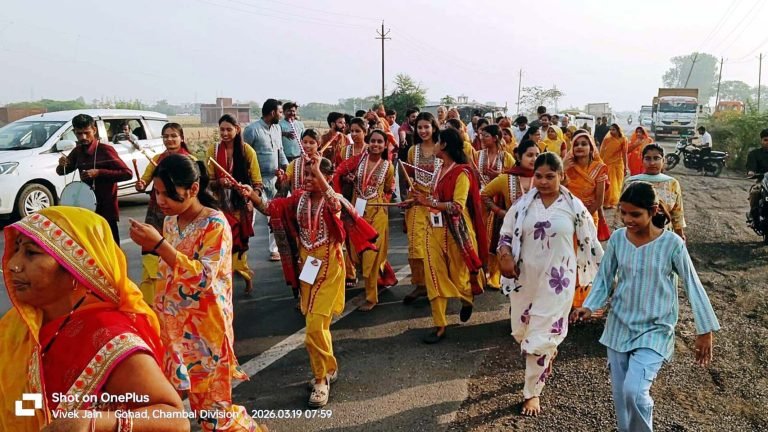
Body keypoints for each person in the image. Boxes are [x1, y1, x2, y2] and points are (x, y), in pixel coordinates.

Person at [0, 207, 188, 432]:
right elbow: (31, 398)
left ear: (74, 267)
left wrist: (91, 423)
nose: (13, 265)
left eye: (31, 253)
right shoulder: (21, 325)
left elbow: (175, 419)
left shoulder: (111, 336)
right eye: (17, 250)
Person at [572, 182, 720, 432]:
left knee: (634, 392)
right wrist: (589, 306)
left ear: (653, 211)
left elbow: (693, 284)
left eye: (635, 214)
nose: (627, 219)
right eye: (623, 213)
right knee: (621, 395)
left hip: (655, 329)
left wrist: (704, 330)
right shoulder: (619, 239)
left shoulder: (672, 244)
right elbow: (605, 278)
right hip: (618, 326)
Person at [129, 155, 262, 431]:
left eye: (168, 193)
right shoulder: (170, 222)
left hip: (206, 334)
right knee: (167, 401)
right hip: (173, 328)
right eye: (157, 193)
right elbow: (167, 276)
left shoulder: (215, 224)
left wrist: (160, 246)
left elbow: (203, 277)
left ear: (193, 189)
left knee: (213, 414)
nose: (161, 200)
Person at [498, 152, 603, 417]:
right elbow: (506, 234)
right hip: (525, 280)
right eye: (539, 176)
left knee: (541, 337)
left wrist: (602, 279)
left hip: (558, 282)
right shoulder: (522, 205)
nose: (543, 181)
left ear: (561, 176)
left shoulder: (573, 207)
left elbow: (591, 243)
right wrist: (505, 255)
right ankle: (547, 353)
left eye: (550, 176)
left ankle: (532, 392)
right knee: (521, 333)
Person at [256, 156, 365, 408]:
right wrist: (251, 196)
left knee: (314, 327)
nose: (306, 179)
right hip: (308, 267)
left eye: (312, 175)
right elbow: (271, 207)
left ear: (326, 178)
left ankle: (320, 380)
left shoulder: (333, 199)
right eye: (304, 175)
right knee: (317, 323)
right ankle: (328, 367)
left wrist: (320, 173)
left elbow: (336, 205)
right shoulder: (299, 199)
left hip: (330, 267)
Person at [409, 128, 488, 343]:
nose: (432, 145)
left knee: (459, 275)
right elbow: (434, 197)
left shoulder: (462, 172)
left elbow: (457, 206)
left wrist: (429, 202)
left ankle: (467, 297)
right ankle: (439, 324)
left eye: (437, 142)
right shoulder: (439, 169)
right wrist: (419, 199)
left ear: (443, 146)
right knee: (433, 275)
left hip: (457, 232)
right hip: (433, 230)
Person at [335, 129, 396, 311]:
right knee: (355, 254)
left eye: (380, 142)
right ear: (368, 142)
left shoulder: (388, 167)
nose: (376, 144)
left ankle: (371, 297)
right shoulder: (357, 161)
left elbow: (387, 190)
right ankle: (377, 278)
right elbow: (338, 172)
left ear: (385, 145)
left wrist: (379, 204)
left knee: (370, 255)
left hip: (377, 214)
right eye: (373, 141)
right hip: (356, 214)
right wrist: (347, 179)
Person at [134, 122, 193, 303]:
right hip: (157, 212)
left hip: (179, 213)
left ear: (181, 138)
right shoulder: (158, 159)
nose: (169, 139)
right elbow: (145, 179)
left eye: (173, 135)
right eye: (166, 136)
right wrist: (141, 184)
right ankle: (149, 301)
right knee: (151, 250)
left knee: (176, 253)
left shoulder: (190, 160)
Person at [207, 114, 263, 295]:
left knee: (238, 245)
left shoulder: (247, 151)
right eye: (222, 129)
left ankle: (244, 274)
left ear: (237, 129)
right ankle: (225, 281)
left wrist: (251, 200)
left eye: (228, 129)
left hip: (241, 205)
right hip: (219, 205)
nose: (224, 133)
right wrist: (219, 183)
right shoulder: (212, 151)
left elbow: (257, 183)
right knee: (221, 246)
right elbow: (208, 180)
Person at [56, 114, 133, 244]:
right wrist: (62, 164)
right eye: (79, 134)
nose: (83, 137)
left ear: (94, 131)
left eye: (87, 133)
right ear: (74, 133)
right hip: (86, 208)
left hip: (106, 208)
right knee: (90, 247)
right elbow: (62, 171)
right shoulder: (77, 151)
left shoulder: (105, 150)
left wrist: (99, 172)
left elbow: (127, 173)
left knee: (110, 247)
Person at [480, 139, 539, 291]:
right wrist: (500, 212)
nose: (534, 159)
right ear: (519, 157)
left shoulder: (542, 177)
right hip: (514, 235)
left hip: (538, 234)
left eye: (537, 155)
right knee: (516, 276)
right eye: (530, 155)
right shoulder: (507, 178)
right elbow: (484, 194)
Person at [563, 131, 608, 309]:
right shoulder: (567, 166)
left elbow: (599, 200)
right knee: (568, 256)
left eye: (584, 143)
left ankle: (583, 300)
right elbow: (557, 187)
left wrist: (583, 217)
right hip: (566, 217)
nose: (580, 147)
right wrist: (563, 166)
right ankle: (566, 298)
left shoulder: (600, 168)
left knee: (586, 257)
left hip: (589, 217)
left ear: (591, 148)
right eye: (576, 144)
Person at [401, 112, 442, 305]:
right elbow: (409, 177)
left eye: (427, 126)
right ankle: (420, 285)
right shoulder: (412, 151)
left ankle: (437, 283)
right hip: (417, 202)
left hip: (436, 203)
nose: (423, 131)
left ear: (434, 127)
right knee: (416, 247)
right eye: (419, 127)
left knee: (436, 246)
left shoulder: (442, 148)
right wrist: (410, 197)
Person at [244, 99, 288, 262]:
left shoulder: (277, 128)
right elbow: (244, 154)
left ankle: (274, 249)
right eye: (280, 112)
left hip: (274, 180)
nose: (281, 115)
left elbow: (280, 150)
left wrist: (285, 168)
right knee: (251, 215)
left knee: (274, 214)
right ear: (272, 113)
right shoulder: (252, 130)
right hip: (256, 181)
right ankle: (242, 251)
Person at [624, 144, 687, 241]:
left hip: (665, 237)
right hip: (636, 237)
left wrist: (680, 236)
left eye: (656, 158)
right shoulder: (631, 183)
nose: (652, 163)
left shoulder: (672, 183)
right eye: (647, 158)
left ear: (663, 160)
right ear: (642, 161)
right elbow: (623, 212)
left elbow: (677, 214)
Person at [600, 123, 629, 209]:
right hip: (608, 163)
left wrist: (625, 166)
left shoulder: (623, 140)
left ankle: (613, 201)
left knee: (617, 183)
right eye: (610, 130)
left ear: (618, 130)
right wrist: (600, 162)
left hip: (618, 164)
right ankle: (607, 202)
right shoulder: (607, 139)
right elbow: (602, 151)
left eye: (613, 130)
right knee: (610, 183)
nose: (611, 132)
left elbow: (624, 154)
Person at [747, 129, 768, 225]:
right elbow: (751, 168)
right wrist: (751, 172)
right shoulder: (754, 154)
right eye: (766, 140)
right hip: (762, 181)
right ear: (761, 140)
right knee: (755, 191)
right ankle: (753, 214)